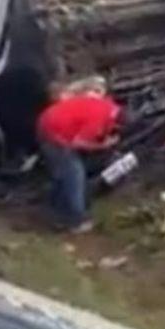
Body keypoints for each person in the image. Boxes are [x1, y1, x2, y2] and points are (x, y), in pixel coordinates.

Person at [36, 80, 122, 233]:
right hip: (54, 134)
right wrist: (102, 146)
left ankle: (54, 212)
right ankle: (77, 220)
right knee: (74, 175)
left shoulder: (107, 106)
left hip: (49, 123)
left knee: (63, 174)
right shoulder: (99, 118)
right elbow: (78, 142)